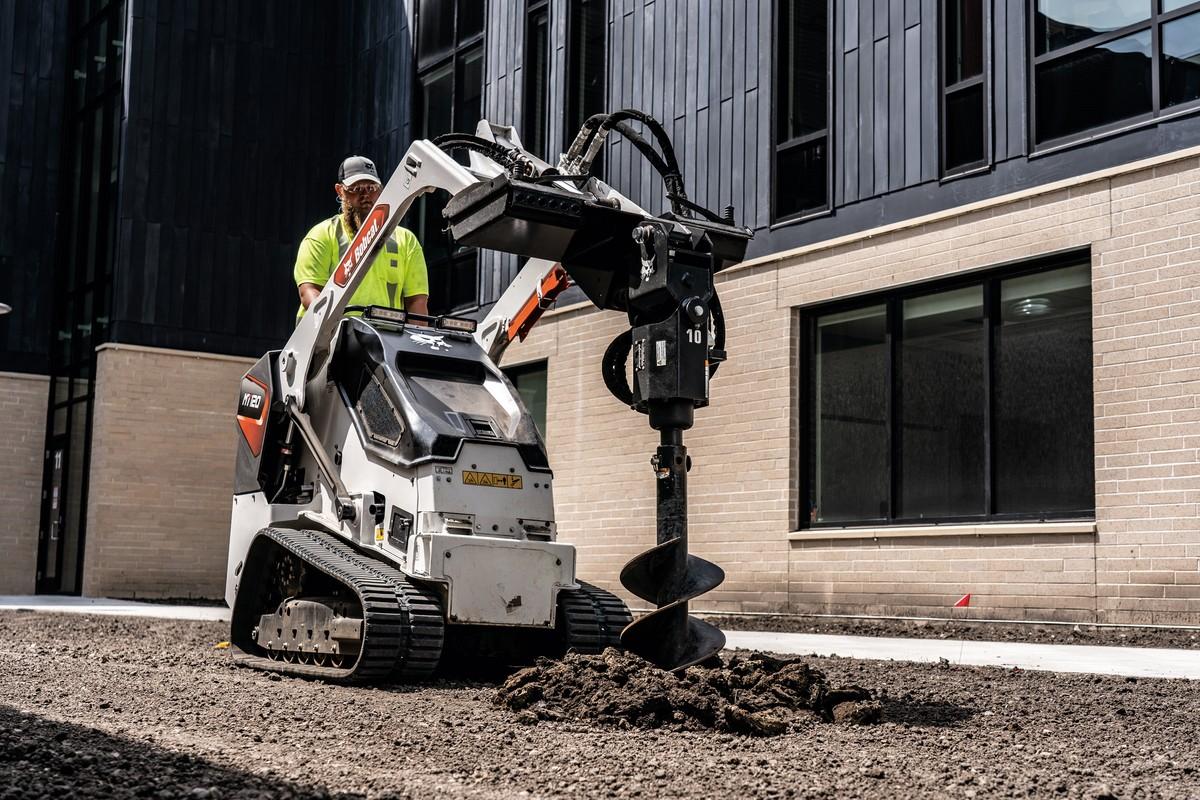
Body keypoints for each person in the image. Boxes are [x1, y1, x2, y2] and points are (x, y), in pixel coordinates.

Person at [294, 155, 429, 320]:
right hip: (331, 332)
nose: (365, 195)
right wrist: (329, 328)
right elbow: (309, 291)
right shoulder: (321, 235)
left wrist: (417, 334)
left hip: (383, 333)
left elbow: (417, 303)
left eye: (371, 188)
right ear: (340, 191)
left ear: (380, 189)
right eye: (356, 189)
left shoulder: (406, 241)